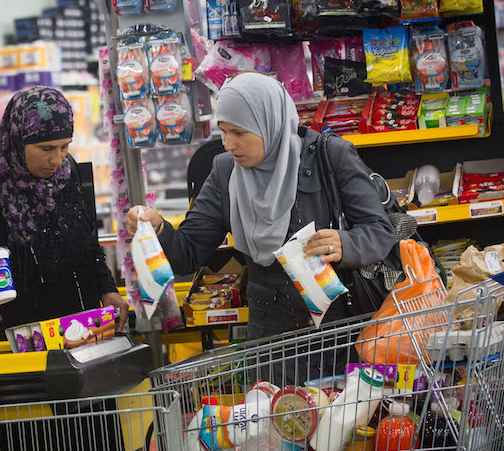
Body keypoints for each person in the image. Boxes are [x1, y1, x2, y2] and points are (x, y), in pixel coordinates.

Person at [128, 73, 396, 374]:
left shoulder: (329, 156)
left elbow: (379, 229)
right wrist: (158, 228)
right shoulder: (224, 172)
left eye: (239, 132)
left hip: (338, 333)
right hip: (269, 339)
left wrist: (344, 243)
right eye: (224, 131)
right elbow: (188, 252)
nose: (228, 144)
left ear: (269, 123)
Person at [0, 87, 129, 335]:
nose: (57, 160)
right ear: (18, 139)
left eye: (64, 147)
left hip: (85, 329)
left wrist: (108, 289)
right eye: (46, 149)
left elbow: (88, 242)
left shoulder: (68, 176)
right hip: (23, 341)